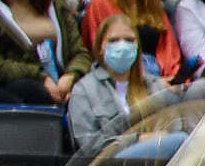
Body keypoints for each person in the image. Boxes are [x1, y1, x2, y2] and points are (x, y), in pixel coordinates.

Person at [67, 11, 160, 153]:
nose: (122, 46)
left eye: (129, 40)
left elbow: (171, 129)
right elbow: (89, 146)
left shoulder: (154, 86)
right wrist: (137, 140)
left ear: (137, 47)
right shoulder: (84, 90)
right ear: (100, 48)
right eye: (113, 40)